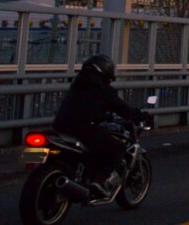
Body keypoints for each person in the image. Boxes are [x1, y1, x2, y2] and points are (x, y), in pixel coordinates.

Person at [52, 54, 145, 196]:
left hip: (60, 127)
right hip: (83, 129)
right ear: (105, 71)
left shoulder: (77, 84)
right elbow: (122, 109)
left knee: (92, 148)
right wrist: (138, 115)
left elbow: (87, 106)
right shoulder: (102, 89)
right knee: (117, 148)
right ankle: (99, 181)